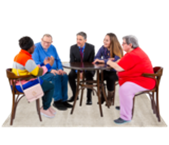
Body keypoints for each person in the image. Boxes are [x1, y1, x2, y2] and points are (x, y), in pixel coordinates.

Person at [105, 34, 156, 124]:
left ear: (130, 45)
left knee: (125, 89)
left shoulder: (133, 54)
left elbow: (118, 68)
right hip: (141, 78)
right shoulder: (135, 51)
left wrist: (108, 61)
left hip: (144, 81)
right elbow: (124, 62)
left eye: (123, 43)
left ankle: (126, 117)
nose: (121, 45)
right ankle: (125, 106)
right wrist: (115, 61)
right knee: (123, 86)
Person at [11, 35, 56, 118]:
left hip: (17, 83)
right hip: (23, 85)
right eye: (33, 46)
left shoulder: (18, 55)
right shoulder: (26, 59)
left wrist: (43, 64)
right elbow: (38, 73)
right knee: (50, 86)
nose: (35, 47)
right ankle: (45, 109)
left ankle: (47, 106)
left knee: (46, 83)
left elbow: (32, 69)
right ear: (30, 47)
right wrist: (49, 65)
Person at [32, 33, 73, 111]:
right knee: (55, 76)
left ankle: (64, 100)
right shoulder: (35, 47)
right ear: (41, 39)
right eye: (45, 42)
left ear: (51, 42)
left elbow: (58, 59)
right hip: (42, 73)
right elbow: (36, 65)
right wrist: (50, 70)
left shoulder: (53, 47)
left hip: (54, 70)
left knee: (64, 76)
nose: (46, 44)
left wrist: (60, 69)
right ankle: (57, 101)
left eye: (49, 42)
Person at [92, 32, 124, 105]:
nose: (104, 41)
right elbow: (96, 59)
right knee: (99, 78)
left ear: (112, 42)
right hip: (105, 71)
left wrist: (103, 60)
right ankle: (103, 96)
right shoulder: (102, 48)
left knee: (110, 78)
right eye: (104, 39)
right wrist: (108, 60)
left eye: (107, 40)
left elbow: (115, 62)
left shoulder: (118, 50)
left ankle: (110, 98)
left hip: (115, 72)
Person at [68, 31, 96, 105]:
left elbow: (91, 63)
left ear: (85, 40)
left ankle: (89, 98)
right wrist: (79, 72)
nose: (78, 41)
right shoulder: (72, 48)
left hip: (88, 69)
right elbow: (72, 63)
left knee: (89, 77)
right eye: (76, 39)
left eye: (80, 39)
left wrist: (83, 72)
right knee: (70, 76)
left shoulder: (91, 47)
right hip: (76, 69)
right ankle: (75, 95)